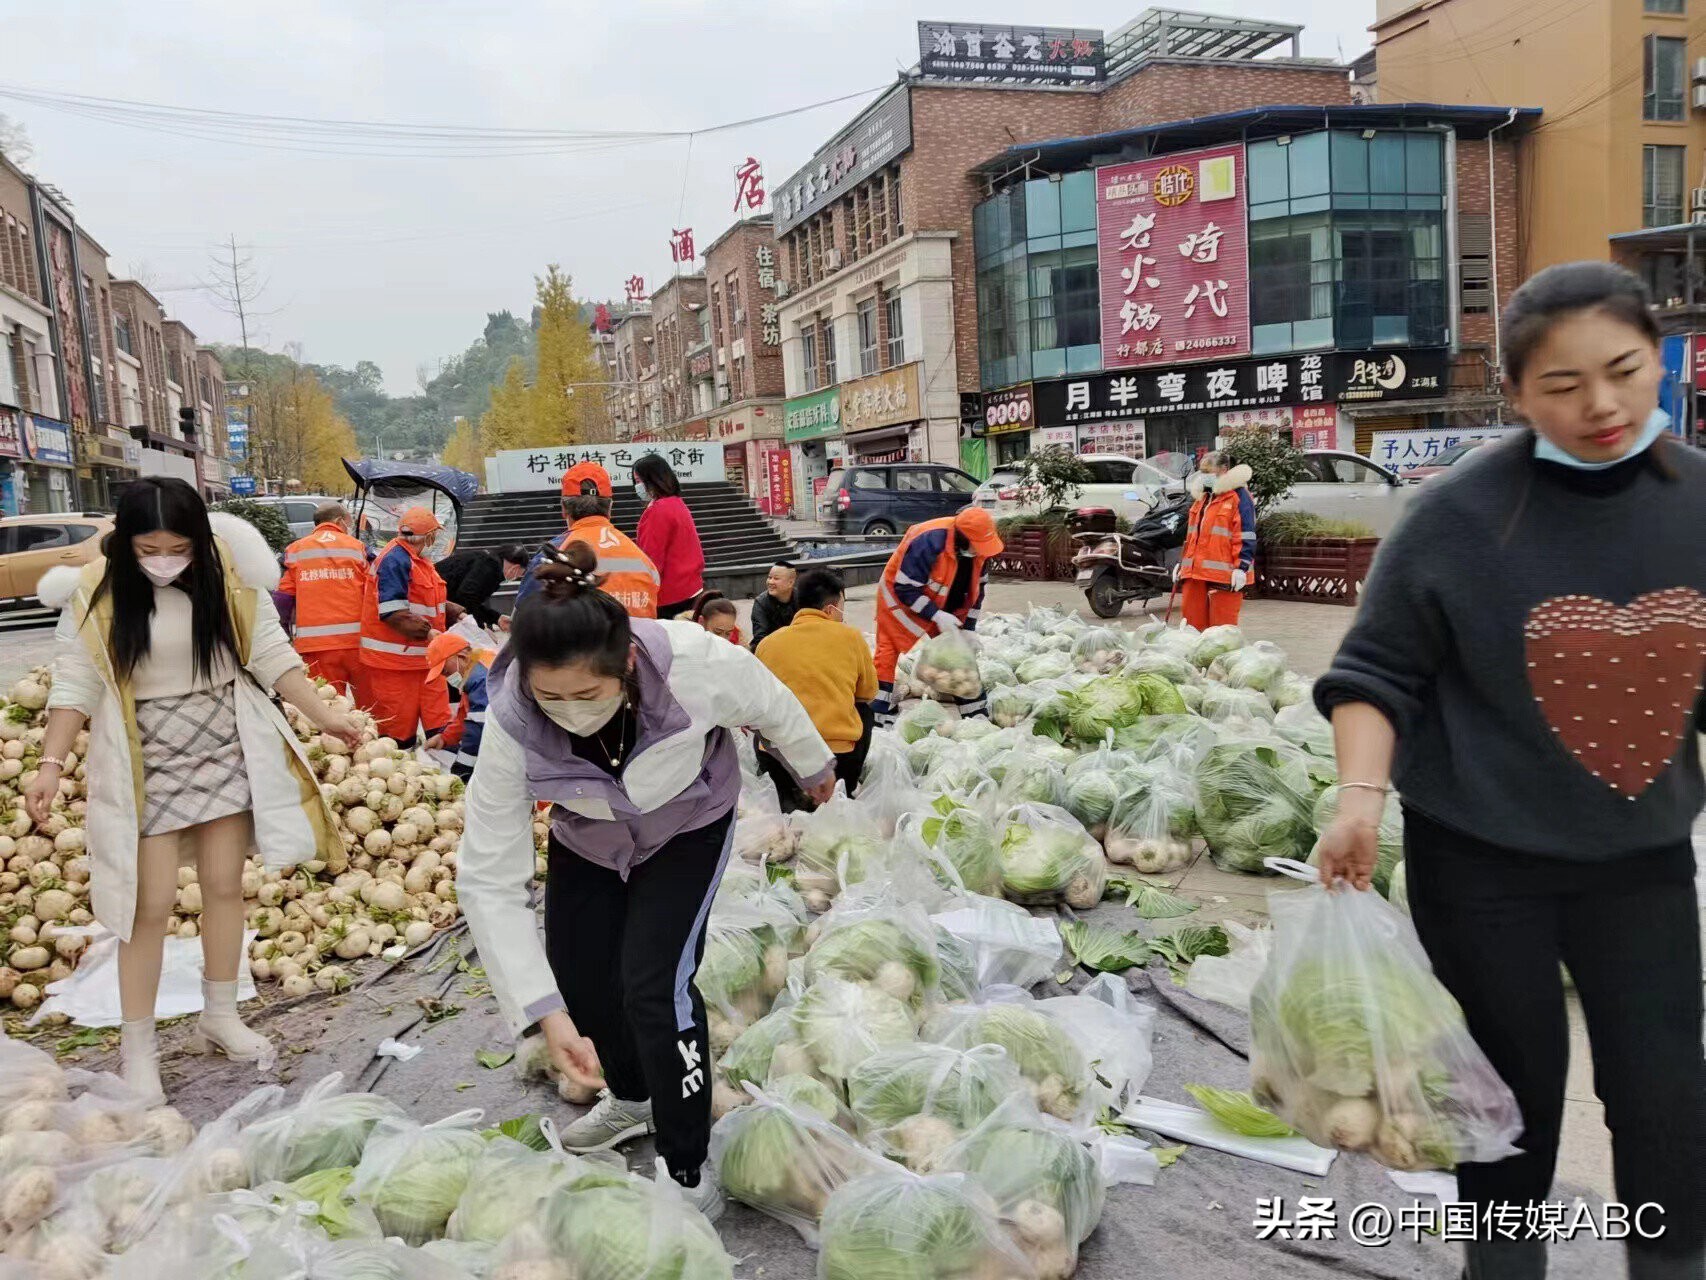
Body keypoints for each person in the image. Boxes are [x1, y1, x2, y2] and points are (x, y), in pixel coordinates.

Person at [1313, 261, 1706, 1280]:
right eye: (1563, 384)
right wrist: (1357, 800)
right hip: (1481, 863)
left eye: (1623, 370)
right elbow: (1374, 673)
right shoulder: (1456, 515)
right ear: (1519, 394)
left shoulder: (1697, 501)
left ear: (1656, 359)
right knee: (1508, 1114)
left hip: (1642, 859)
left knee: (1667, 1100)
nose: (1602, 404)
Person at [456, 540, 836, 1217]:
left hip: (687, 820)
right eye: (551, 696)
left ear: (627, 664)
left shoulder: (693, 662)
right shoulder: (514, 719)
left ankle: (687, 1165)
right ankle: (632, 1098)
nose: (569, 709)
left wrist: (812, 764)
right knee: (580, 979)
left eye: (587, 694)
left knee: (654, 986)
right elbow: (488, 872)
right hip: (589, 834)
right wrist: (543, 1012)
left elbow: (770, 700)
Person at [33, 479, 355, 1104]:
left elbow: (272, 656)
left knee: (225, 885)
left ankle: (220, 1016)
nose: (164, 561)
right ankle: (139, 1051)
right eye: (148, 549)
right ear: (125, 544)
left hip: (223, 745)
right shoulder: (95, 594)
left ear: (200, 541)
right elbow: (74, 685)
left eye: (178, 548)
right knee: (147, 906)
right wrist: (50, 763)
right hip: (144, 757)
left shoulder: (229, 579)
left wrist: (325, 716)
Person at [755, 568, 878, 811]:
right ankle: (844, 788)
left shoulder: (768, 643)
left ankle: (787, 796)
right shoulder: (851, 637)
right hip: (836, 758)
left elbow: (757, 701)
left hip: (782, 756)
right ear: (830, 609)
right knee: (864, 711)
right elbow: (867, 693)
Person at [871, 507, 1003, 727]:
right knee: (887, 652)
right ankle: (878, 715)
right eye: (978, 545)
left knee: (958, 656)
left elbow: (977, 593)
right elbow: (905, 587)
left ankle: (976, 713)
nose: (982, 551)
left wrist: (969, 629)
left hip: (942, 602)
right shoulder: (929, 540)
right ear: (963, 538)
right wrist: (936, 614)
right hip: (899, 600)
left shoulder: (979, 553)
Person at [357, 506, 451, 748]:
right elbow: (393, 612)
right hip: (395, 664)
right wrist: (428, 632)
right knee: (398, 735)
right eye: (434, 535)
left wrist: (457, 612)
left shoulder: (416, 561)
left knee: (442, 728)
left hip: (424, 659)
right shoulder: (395, 560)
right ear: (427, 536)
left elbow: (428, 600)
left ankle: (443, 764)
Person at [515, 462, 660, 618]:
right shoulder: (642, 558)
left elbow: (524, 615)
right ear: (610, 508)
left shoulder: (554, 555)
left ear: (563, 508)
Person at [276, 502, 368, 694]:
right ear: (339, 521)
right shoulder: (357, 547)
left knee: (329, 703)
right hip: (357, 642)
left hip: (316, 646)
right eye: (349, 522)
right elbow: (373, 590)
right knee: (369, 705)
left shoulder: (296, 549)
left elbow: (283, 598)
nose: (350, 527)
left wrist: (283, 635)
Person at [1174, 450, 1256, 630]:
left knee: (1221, 632)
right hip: (1194, 573)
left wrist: (1241, 568)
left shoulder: (1238, 497)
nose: (1204, 476)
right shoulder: (1203, 498)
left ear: (1224, 469)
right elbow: (1192, 536)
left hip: (1225, 574)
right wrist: (1182, 563)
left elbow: (1245, 534)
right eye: (1202, 471)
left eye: (1208, 471)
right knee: (1191, 628)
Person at [632, 454, 705, 619]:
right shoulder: (676, 503)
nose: (637, 486)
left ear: (653, 479)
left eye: (639, 481)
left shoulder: (657, 511)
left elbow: (651, 559)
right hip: (690, 587)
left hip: (669, 595)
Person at [422, 631, 497, 782]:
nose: (447, 677)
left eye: (446, 671)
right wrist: (444, 738)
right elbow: (465, 716)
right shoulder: (473, 671)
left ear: (462, 656)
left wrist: (462, 769)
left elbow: (478, 727)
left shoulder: (481, 679)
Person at [437, 542, 528, 630]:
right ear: (515, 568)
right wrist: (481, 628)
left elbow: (472, 601)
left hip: (441, 600)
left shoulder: (488, 561)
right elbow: (466, 598)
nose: (516, 578)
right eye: (519, 575)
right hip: (436, 600)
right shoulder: (489, 568)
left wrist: (497, 618)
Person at [748, 561, 797, 650]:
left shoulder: (802, 598)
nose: (770, 582)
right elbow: (760, 637)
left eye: (776, 578)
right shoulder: (761, 603)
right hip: (771, 649)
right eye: (769, 577)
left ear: (790, 583)